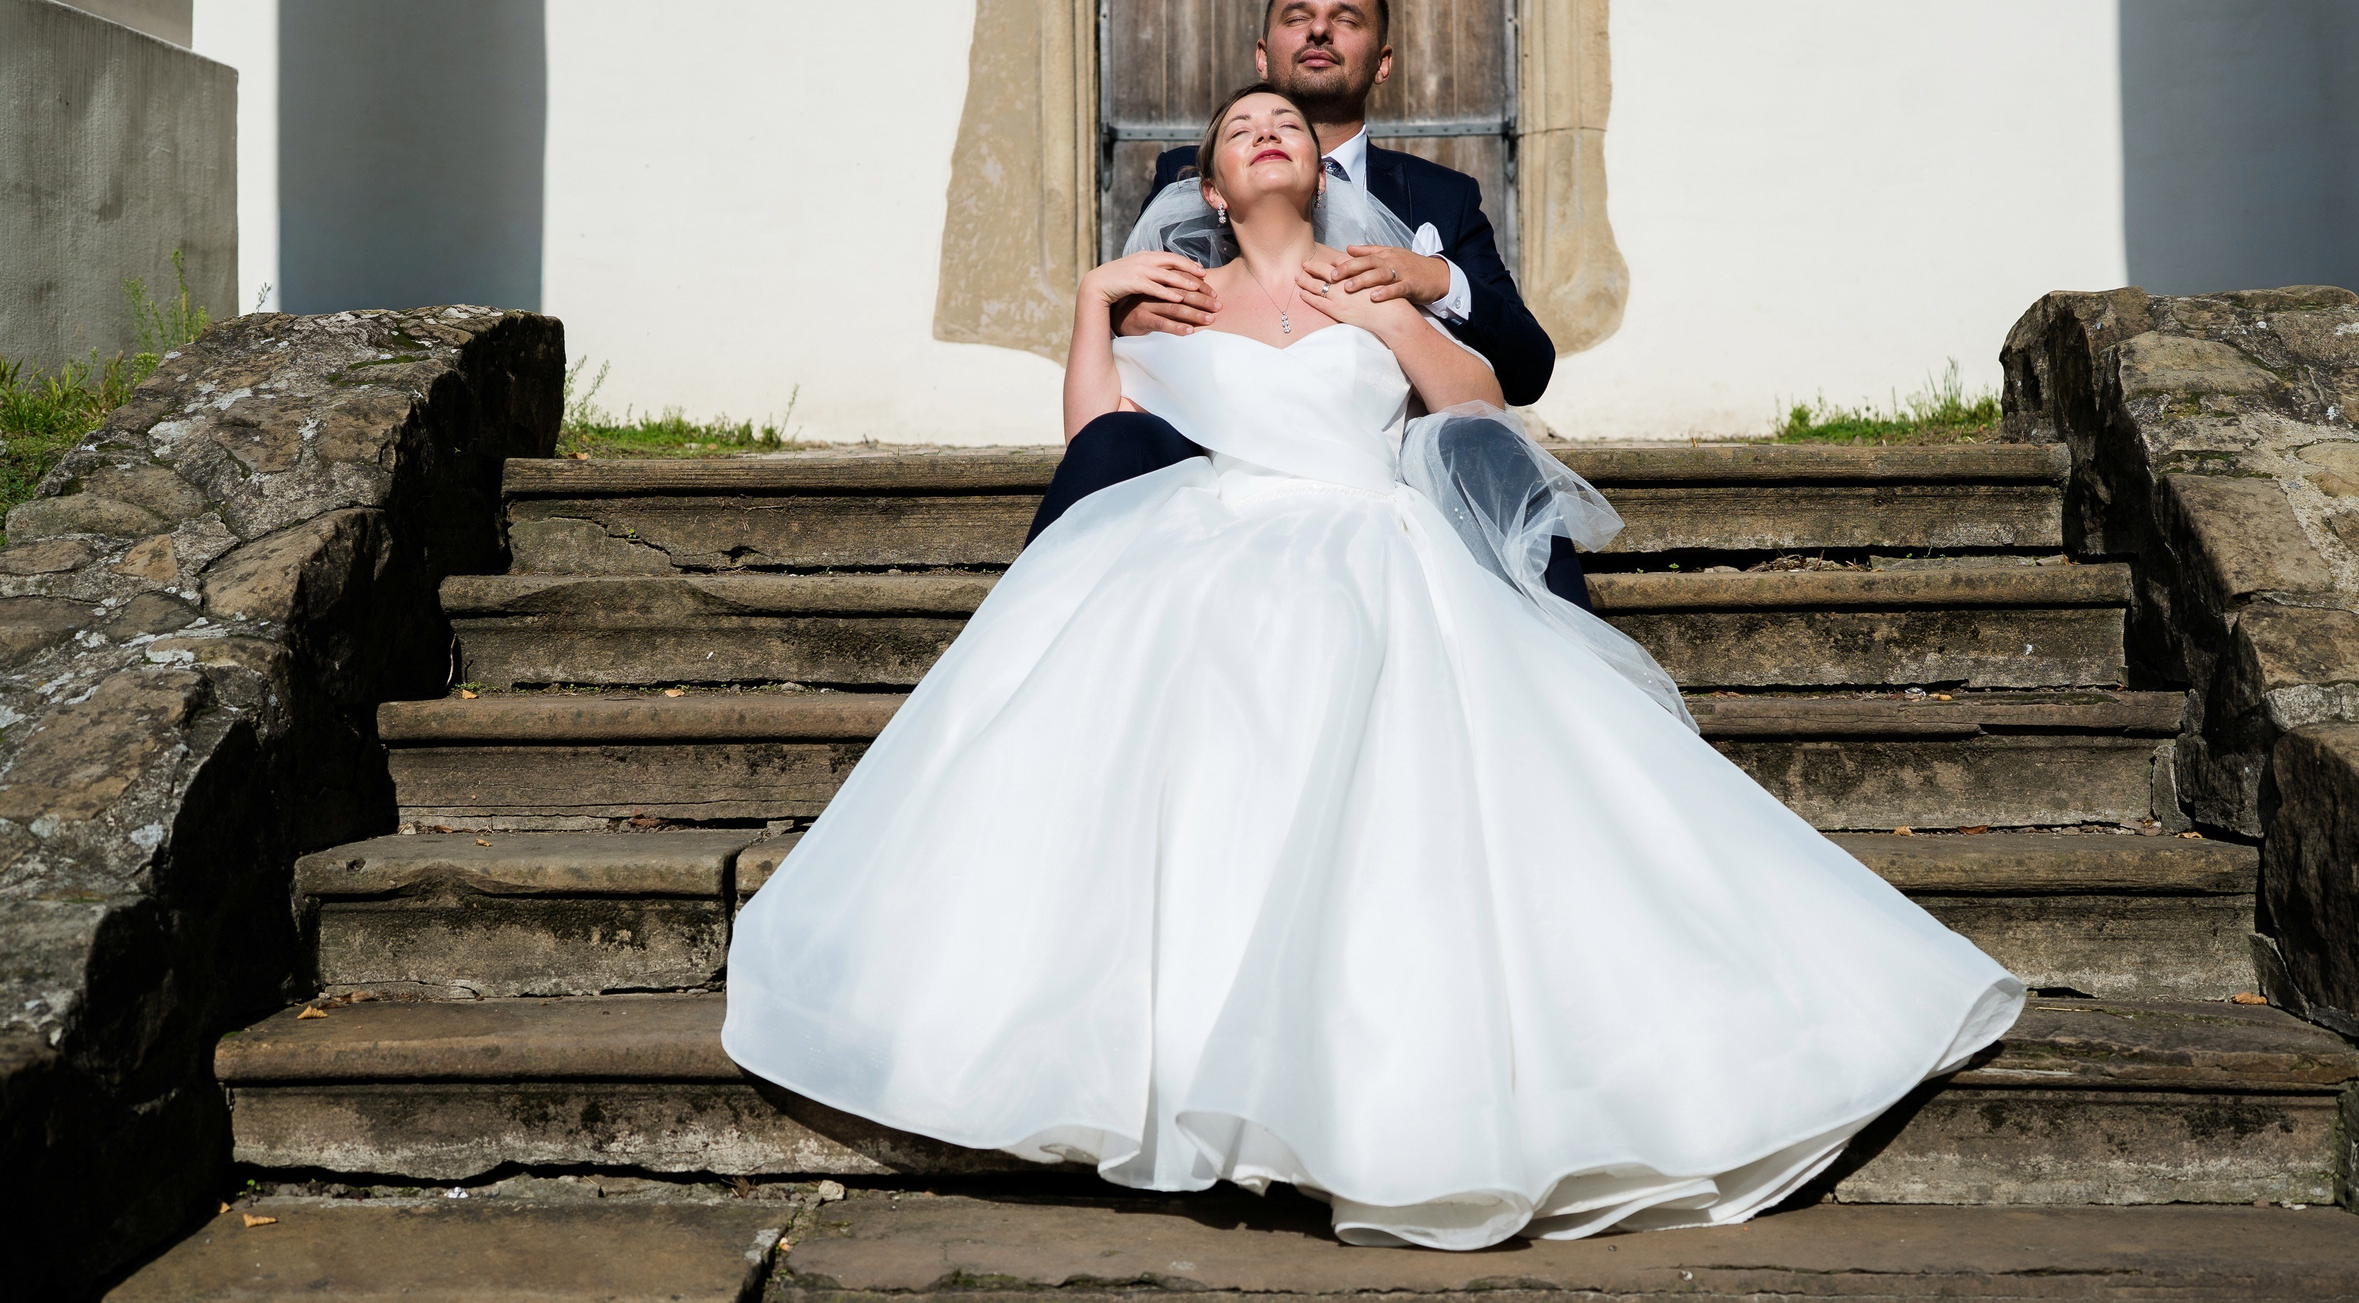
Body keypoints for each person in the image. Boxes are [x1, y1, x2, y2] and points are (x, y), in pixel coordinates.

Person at [723, 82, 2023, 1251]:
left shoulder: (1372, 284)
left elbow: (1476, 405)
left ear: (1319, 167)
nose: (1266, 131)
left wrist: (1394, 312)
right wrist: (1090, 301)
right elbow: (1095, 442)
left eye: (1285, 123)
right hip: (1210, 539)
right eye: (1240, 129)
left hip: (1371, 536)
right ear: (1210, 190)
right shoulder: (1178, 308)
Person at [1026, 0, 1593, 609]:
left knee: (1484, 446)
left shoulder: (1445, 195)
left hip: (1383, 480)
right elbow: (1141, 323)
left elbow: (1520, 373)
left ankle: (1555, 631)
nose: (1319, 30)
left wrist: (1435, 281)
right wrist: (1120, 310)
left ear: (1382, 61)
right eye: (1298, 17)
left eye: (1345, 19)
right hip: (1212, 475)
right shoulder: (1183, 176)